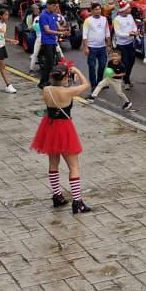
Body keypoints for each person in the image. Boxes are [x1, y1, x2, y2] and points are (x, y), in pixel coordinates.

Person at [30, 63, 92, 213]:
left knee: (53, 163)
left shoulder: (46, 89)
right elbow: (86, 85)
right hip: (64, 128)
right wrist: (77, 71)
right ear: (65, 78)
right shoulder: (68, 92)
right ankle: (77, 202)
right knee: (73, 166)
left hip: (49, 127)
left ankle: (57, 195)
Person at [82, 2, 111, 90]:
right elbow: (84, 35)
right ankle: (93, 85)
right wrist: (86, 47)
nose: (98, 11)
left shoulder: (104, 19)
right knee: (92, 67)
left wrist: (109, 45)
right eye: (96, 9)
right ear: (92, 10)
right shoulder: (88, 21)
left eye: (99, 9)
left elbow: (107, 32)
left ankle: (99, 83)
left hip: (102, 47)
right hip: (91, 47)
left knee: (102, 65)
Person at [38, 0, 66, 87]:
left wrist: (65, 30)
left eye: (56, 6)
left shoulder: (54, 15)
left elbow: (58, 27)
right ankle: (42, 82)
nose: (55, 8)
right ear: (48, 5)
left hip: (53, 41)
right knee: (49, 62)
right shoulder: (43, 15)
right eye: (53, 6)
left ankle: (47, 80)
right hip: (47, 41)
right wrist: (59, 33)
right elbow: (47, 30)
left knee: (52, 62)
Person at [0, 8, 18, 93]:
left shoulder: (4, 25)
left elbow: (3, 37)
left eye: (8, 14)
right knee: (3, 67)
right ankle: (8, 85)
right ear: (0, 16)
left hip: (2, 46)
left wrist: (12, 41)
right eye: (5, 14)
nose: (7, 16)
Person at [112, 0, 138, 90]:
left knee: (131, 62)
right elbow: (118, 33)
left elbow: (134, 26)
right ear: (123, 10)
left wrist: (135, 31)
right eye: (128, 8)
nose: (130, 9)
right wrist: (129, 34)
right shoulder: (117, 20)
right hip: (121, 45)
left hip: (130, 43)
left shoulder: (130, 16)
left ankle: (126, 78)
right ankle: (125, 81)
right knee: (125, 63)